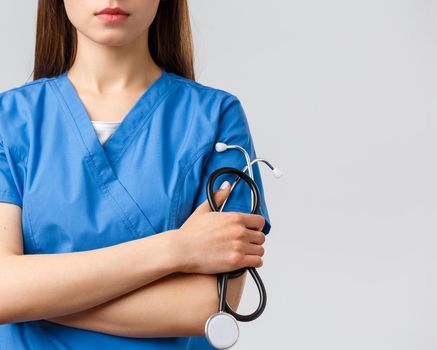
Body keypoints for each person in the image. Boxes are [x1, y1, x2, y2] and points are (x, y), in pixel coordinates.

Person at [0, 0, 272, 348]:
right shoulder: (10, 120)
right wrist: (177, 248)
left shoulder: (215, 117)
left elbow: (208, 305)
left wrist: (33, 298)